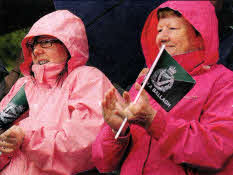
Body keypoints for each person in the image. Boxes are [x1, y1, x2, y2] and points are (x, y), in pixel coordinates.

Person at [92, 1, 233, 175]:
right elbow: (103, 163)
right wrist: (117, 130)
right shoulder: (147, 80)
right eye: (159, 30)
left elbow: (215, 151)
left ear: (200, 34)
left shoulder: (224, 82)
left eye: (172, 29)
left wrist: (154, 121)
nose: (162, 37)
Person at [0, 10, 114, 175]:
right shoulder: (23, 85)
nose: (37, 51)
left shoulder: (87, 79)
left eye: (45, 42)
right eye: (33, 45)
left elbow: (87, 143)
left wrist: (26, 138)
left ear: (69, 44)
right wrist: (6, 147)